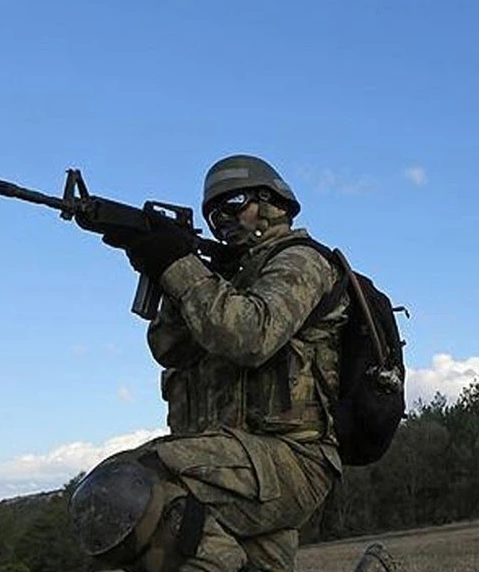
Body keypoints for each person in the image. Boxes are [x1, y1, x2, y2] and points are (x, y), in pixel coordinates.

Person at [66, 154, 396, 571]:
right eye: (213, 213)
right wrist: (172, 270)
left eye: (234, 202)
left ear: (272, 201)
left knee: (126, 488)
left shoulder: (303, 261)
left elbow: (249, 335)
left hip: (291, 459)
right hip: (238, 462)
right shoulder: (226, 280)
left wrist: (177, 265)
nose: (223, 219)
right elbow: (170, 348)